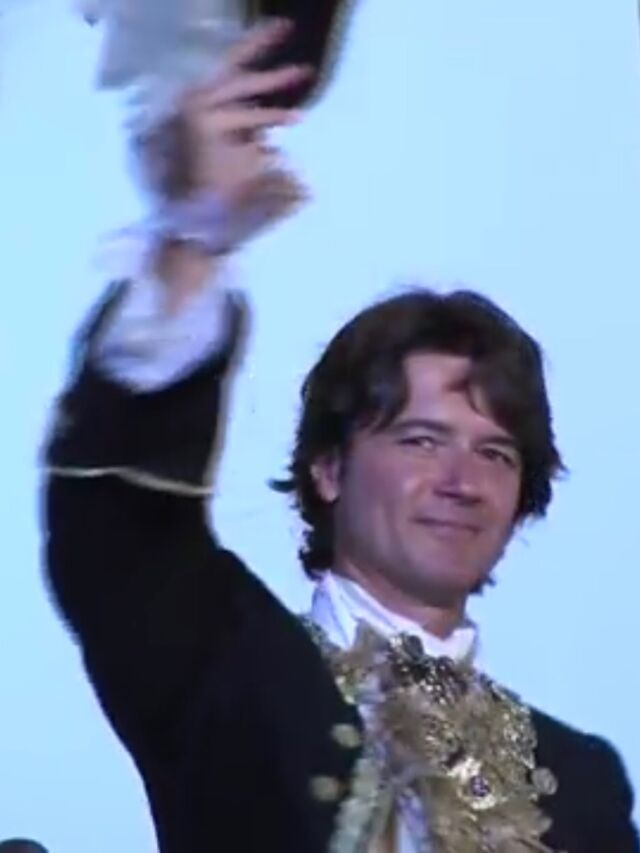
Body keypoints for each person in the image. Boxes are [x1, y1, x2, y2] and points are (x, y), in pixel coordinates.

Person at [43, 22, 638, 853]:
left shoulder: (584, 779)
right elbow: (115, 525)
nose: (462, 479)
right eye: (421, 440)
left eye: (496, 453)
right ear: (328, 468)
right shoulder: (223, 662)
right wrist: (190, 242)